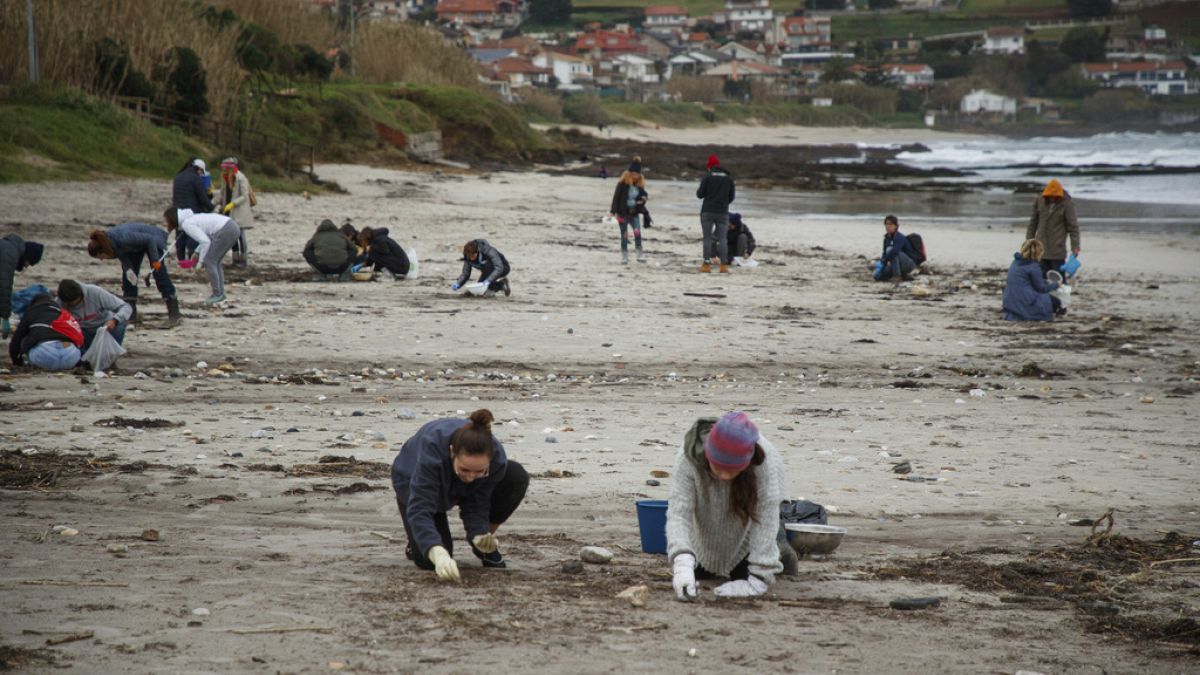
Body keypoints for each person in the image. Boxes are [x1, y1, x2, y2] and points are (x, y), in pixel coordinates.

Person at [390, 409, 529, 581]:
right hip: (411, 480)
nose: (470, 477)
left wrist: (478, 533)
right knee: (429, 561)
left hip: (455, 479)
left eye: (479, 471)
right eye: (465, 469)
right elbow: (420, 508)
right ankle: (418, 541)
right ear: (452, 452)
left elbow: (478, 501)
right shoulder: (432, 453)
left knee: (515, 476)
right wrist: (437, 551)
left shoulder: (496, 459)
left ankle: (484, 545)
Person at [667, 411, 789, 601]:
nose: (724, 476)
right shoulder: (687, 458)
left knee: (747, 572)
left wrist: (759, 578)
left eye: (732, 470)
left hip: (747, 530)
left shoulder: (765, 462)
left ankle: (781, 549)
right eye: (718, 467)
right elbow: (679, 513)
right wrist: (682, 563)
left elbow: (766, 516)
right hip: (705, 531)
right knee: (699, 573)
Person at [87, 224, 181, 327]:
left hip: (152, 238)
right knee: (128, 279)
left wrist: (155, 260)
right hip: (136, 246)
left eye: (100, 256)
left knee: (159, 274)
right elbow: (122, 254)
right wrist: (129, 270)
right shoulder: (110, 243)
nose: (102, 259)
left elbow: (149, 240)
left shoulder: (122, 239)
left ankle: (174, 314)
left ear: (102, 250)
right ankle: (131, 313)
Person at [163, 207, 242, 305]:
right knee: (215, 262)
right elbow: (206, 238)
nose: (165, 223)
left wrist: (200, 262)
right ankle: (220, 293)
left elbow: (205, 242)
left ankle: (217, 294)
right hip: (231, 226)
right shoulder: (190, 219)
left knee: (210, 261)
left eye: (166, 220)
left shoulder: (187, 224)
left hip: (226, 229)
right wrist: (197, 252)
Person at [8, 293, 82, 370]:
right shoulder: (64, 314)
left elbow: (16, 340)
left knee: (26, 338)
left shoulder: (31, 313)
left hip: (45, 356)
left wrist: (16, 361)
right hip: (70, 356)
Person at [56, 279, 132, 352]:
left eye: (76, 302)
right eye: (70, 304)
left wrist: (114, 320)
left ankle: (110, 357)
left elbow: (126, 307)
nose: (74, 306)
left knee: (120, 325)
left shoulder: (95, 292)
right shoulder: (59, 302)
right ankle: (84, 359)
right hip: (81, 333)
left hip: (104, 329)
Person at [1026, 179, 1081, 277]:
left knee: (1058, 279)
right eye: (1050, 195)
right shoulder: (1039, 200)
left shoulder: (1067, 203)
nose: (1052, 197)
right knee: (1040, 279)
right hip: (1040, 249)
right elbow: (1033, 223)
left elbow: (1073, 227)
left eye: (1055, 196)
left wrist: (1075, 246)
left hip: (1057, 250)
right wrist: (1028, 242)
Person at [1003, 239, 1065, 321]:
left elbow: (1027, 280)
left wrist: (1045, 282)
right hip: (1025, 300)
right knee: (1056, 302)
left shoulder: (1015, 262)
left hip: (1010, 300)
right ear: (1038, 253)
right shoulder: (1033, 266)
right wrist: (1056, 284)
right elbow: (1041, 288)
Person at [1, 234, 45, 340]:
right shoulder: (9, 254)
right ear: (27, 256)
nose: (25, 266)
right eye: (28, 263)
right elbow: (3, 287)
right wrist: (5, 317)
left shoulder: (9, 247)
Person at [696, 154, 735, 273]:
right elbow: (731, 197)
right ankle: (723, 265)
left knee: (707, 238)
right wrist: (723, 203)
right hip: (722, 212)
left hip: (707, 211)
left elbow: (699, 194)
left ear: (709, 166)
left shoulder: (707, 177)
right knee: (723, 239)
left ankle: (706, 265)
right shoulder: (728, 178)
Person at [171, 158, 213, 263]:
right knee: (192, 237)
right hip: (191, 212)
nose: (201, 174)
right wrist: (213, 208)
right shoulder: (196, 179)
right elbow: (203, 199)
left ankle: (181, 260)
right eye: (201, 172)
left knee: (180, 237)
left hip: (177, 212)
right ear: (198, 169)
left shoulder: (178, 176)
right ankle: (191, 260)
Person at [608, 159, 648, 264]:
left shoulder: (639, 184)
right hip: (622, 213)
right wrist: (612, 211)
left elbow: (644, 194)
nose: (635, 176)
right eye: (633, 174)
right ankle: (624, 256)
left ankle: (640, 254)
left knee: (637, 232)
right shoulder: (622, 184)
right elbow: (616, 198)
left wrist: (643, 199)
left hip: (634, 213)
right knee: (624, 235)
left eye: (637, 174)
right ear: (629, 173)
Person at [218, 157, 255, 268]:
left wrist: (233, 203)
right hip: (228, 212)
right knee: (232, 236)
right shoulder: (225, 178)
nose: (223, 171)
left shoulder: (241, 178)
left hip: (239, 212)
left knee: (241, 236)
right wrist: (213, 201)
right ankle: (235, 259)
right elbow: (222, 193)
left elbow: (244, 196)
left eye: (225, 168)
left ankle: (244, 260)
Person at [874, 215, 917, 282]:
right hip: (897, 265)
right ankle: (903, 276)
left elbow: (895, 251)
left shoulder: (900, 237)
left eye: (890, 224)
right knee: (878, 276)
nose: (888, 226)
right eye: (886, 224)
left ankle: (897, 276)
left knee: (890, 250)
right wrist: (881, 264)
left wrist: (884, 261)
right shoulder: (886, 239)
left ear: (896, 226)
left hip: (909, 264)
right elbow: (884, 254)